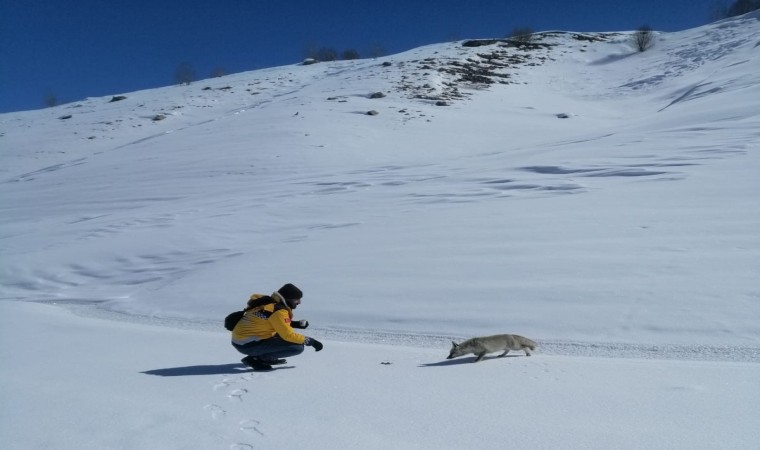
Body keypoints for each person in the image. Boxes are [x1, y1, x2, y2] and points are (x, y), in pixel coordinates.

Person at [231, 283, 323, 370]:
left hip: (242, 340)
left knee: (282, 337)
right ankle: (257, 359)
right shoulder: (278, 311)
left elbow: (273, 321)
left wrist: (295, 324)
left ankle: (263, 357)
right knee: (297, 347)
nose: (299, 302)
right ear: (288, 298)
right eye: (297, 299)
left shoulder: (269, 304)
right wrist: (312, 342)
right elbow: (288, 335)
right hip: (248, 345)